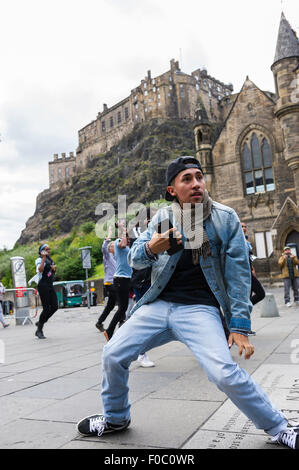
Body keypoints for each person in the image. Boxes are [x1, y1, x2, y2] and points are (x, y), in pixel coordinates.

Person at [77, 156, 299, 449]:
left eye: (199, 176)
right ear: (172, 190)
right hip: (158, 304)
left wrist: (239, 325)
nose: (196, 184)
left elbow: (239, 276)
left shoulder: (225, 217)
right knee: (112, 354)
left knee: (223, 373)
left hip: (200, 309)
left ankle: (280, 427)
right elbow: (134, 258)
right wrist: (153, 248)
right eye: (187, 179)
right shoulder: (161, 218)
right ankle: (116, 418)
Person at [129, 208, 155, 368]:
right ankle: (141, 353)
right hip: (141, 280)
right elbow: (136, 255)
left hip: (154, 279)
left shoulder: (158, 230)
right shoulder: (136, 234)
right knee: (143, 317)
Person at [102, 225, 132, 342]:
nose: (128, 239)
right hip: (121, 279)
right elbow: (123, 243)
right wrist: (123, 230)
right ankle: (109, 331)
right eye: (127, 237)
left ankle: (112, 330)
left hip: (127, 279)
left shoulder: (124, 246)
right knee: (122, 308)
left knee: (124, 307)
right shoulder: (119, 242)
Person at [241, 222, 265, 335]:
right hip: (242, 274)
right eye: (241, 226)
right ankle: (244, 326)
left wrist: (252, 269)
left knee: (258, 295)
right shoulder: (237, 240)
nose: (244, 228)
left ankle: (243, 318)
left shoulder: (247, 241)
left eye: (245, 226)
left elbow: (249, 257)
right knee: (258, 294)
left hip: (249, 272)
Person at [95, 226, 117, 332]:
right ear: (109, 248)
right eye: (112, 246)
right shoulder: (107, 256)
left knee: (110, 306)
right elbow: (104, 247)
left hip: (114, 282)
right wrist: (109, 234)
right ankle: (121, 321)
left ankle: (99, 322)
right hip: (109, 283)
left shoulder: (115, 257)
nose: (114, 247)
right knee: (121, 301)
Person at [34, 244, 58, 339]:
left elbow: (51, 273)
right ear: (41, 251)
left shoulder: (50, 259)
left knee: (55, 307)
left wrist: (54, 269)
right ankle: (39, 330)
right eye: (46, 249)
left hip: (50, 285)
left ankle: (41, 322)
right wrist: (43, 258)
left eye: (49, 249)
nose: (48, 250)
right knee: (46, 308)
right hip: (43, 285)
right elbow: (40, 270)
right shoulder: (39, 259)